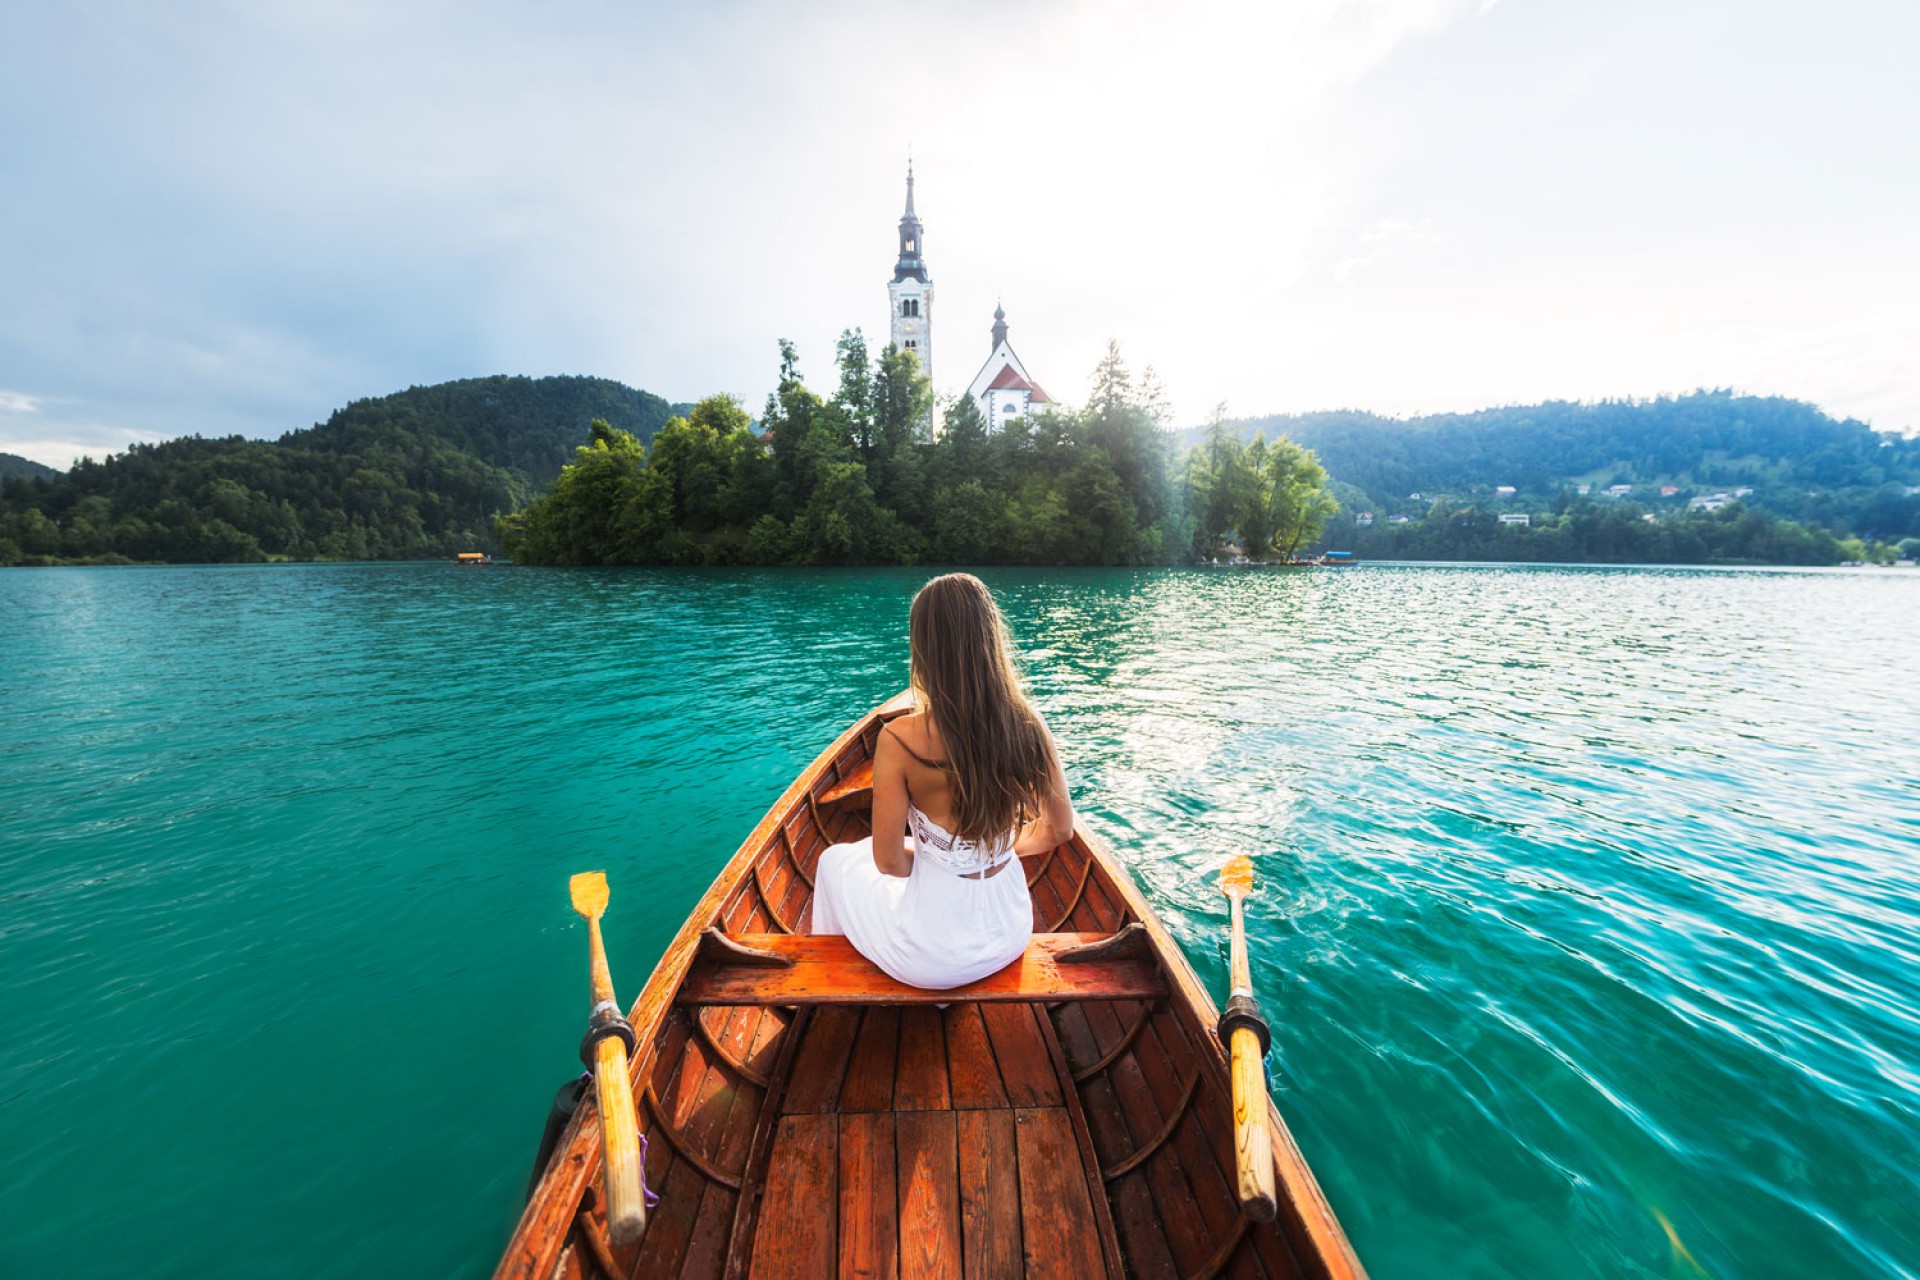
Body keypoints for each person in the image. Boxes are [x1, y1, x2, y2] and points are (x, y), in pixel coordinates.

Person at [810, 573, 1075, 989]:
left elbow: (889, 862)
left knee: (832, 863)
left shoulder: (898, 740)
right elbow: (1060, 830)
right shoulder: (1029, 724)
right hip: (1011, 931)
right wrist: (983, 854)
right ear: (990, 639)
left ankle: (827, 983)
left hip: (933, 956)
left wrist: (944, 862)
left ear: (923, 649)